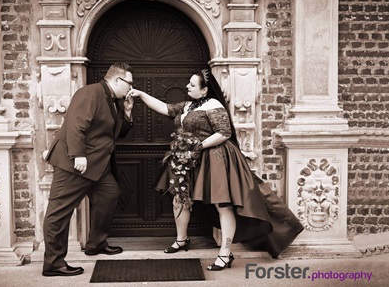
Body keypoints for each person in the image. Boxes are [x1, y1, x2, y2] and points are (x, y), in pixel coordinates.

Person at [127, 69, 304, 271]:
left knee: (223, 204)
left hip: (215, 158)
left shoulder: (214, 105)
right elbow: (165, 108)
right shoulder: (187, 106)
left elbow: (224, 132)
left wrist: (198, 147)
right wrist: (141, 94)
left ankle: (225, 253)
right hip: (189, 159)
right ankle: (182, 240)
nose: (187, 87)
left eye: (192, 85)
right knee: (180, 197)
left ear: (204, 91)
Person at [42, 62, 135, 276]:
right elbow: (76, 124)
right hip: (74, 164)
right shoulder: (90, 92)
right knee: (59, 212)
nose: (131, 88)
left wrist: (128, 113)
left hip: (98, 166)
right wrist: (78, 154)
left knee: (110, 195)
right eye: (129, 83)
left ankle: (96, 243)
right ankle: (54, 263)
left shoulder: (114, 101)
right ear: (117, 80)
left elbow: (116, 133)